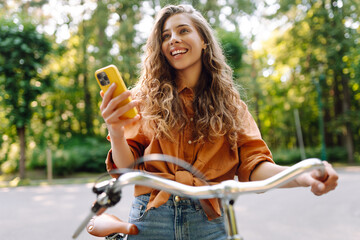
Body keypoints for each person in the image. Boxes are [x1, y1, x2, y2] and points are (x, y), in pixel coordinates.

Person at [99, 4, 338, 240]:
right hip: (151, 219)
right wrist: (117, 134)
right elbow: (126, 169)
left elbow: (254, 166)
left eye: (183, 31)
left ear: (203, 40)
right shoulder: (143, 101)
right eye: (165, 36)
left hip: (209, 223)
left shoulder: (232, 107)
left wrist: (301, 175)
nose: (173, 39)